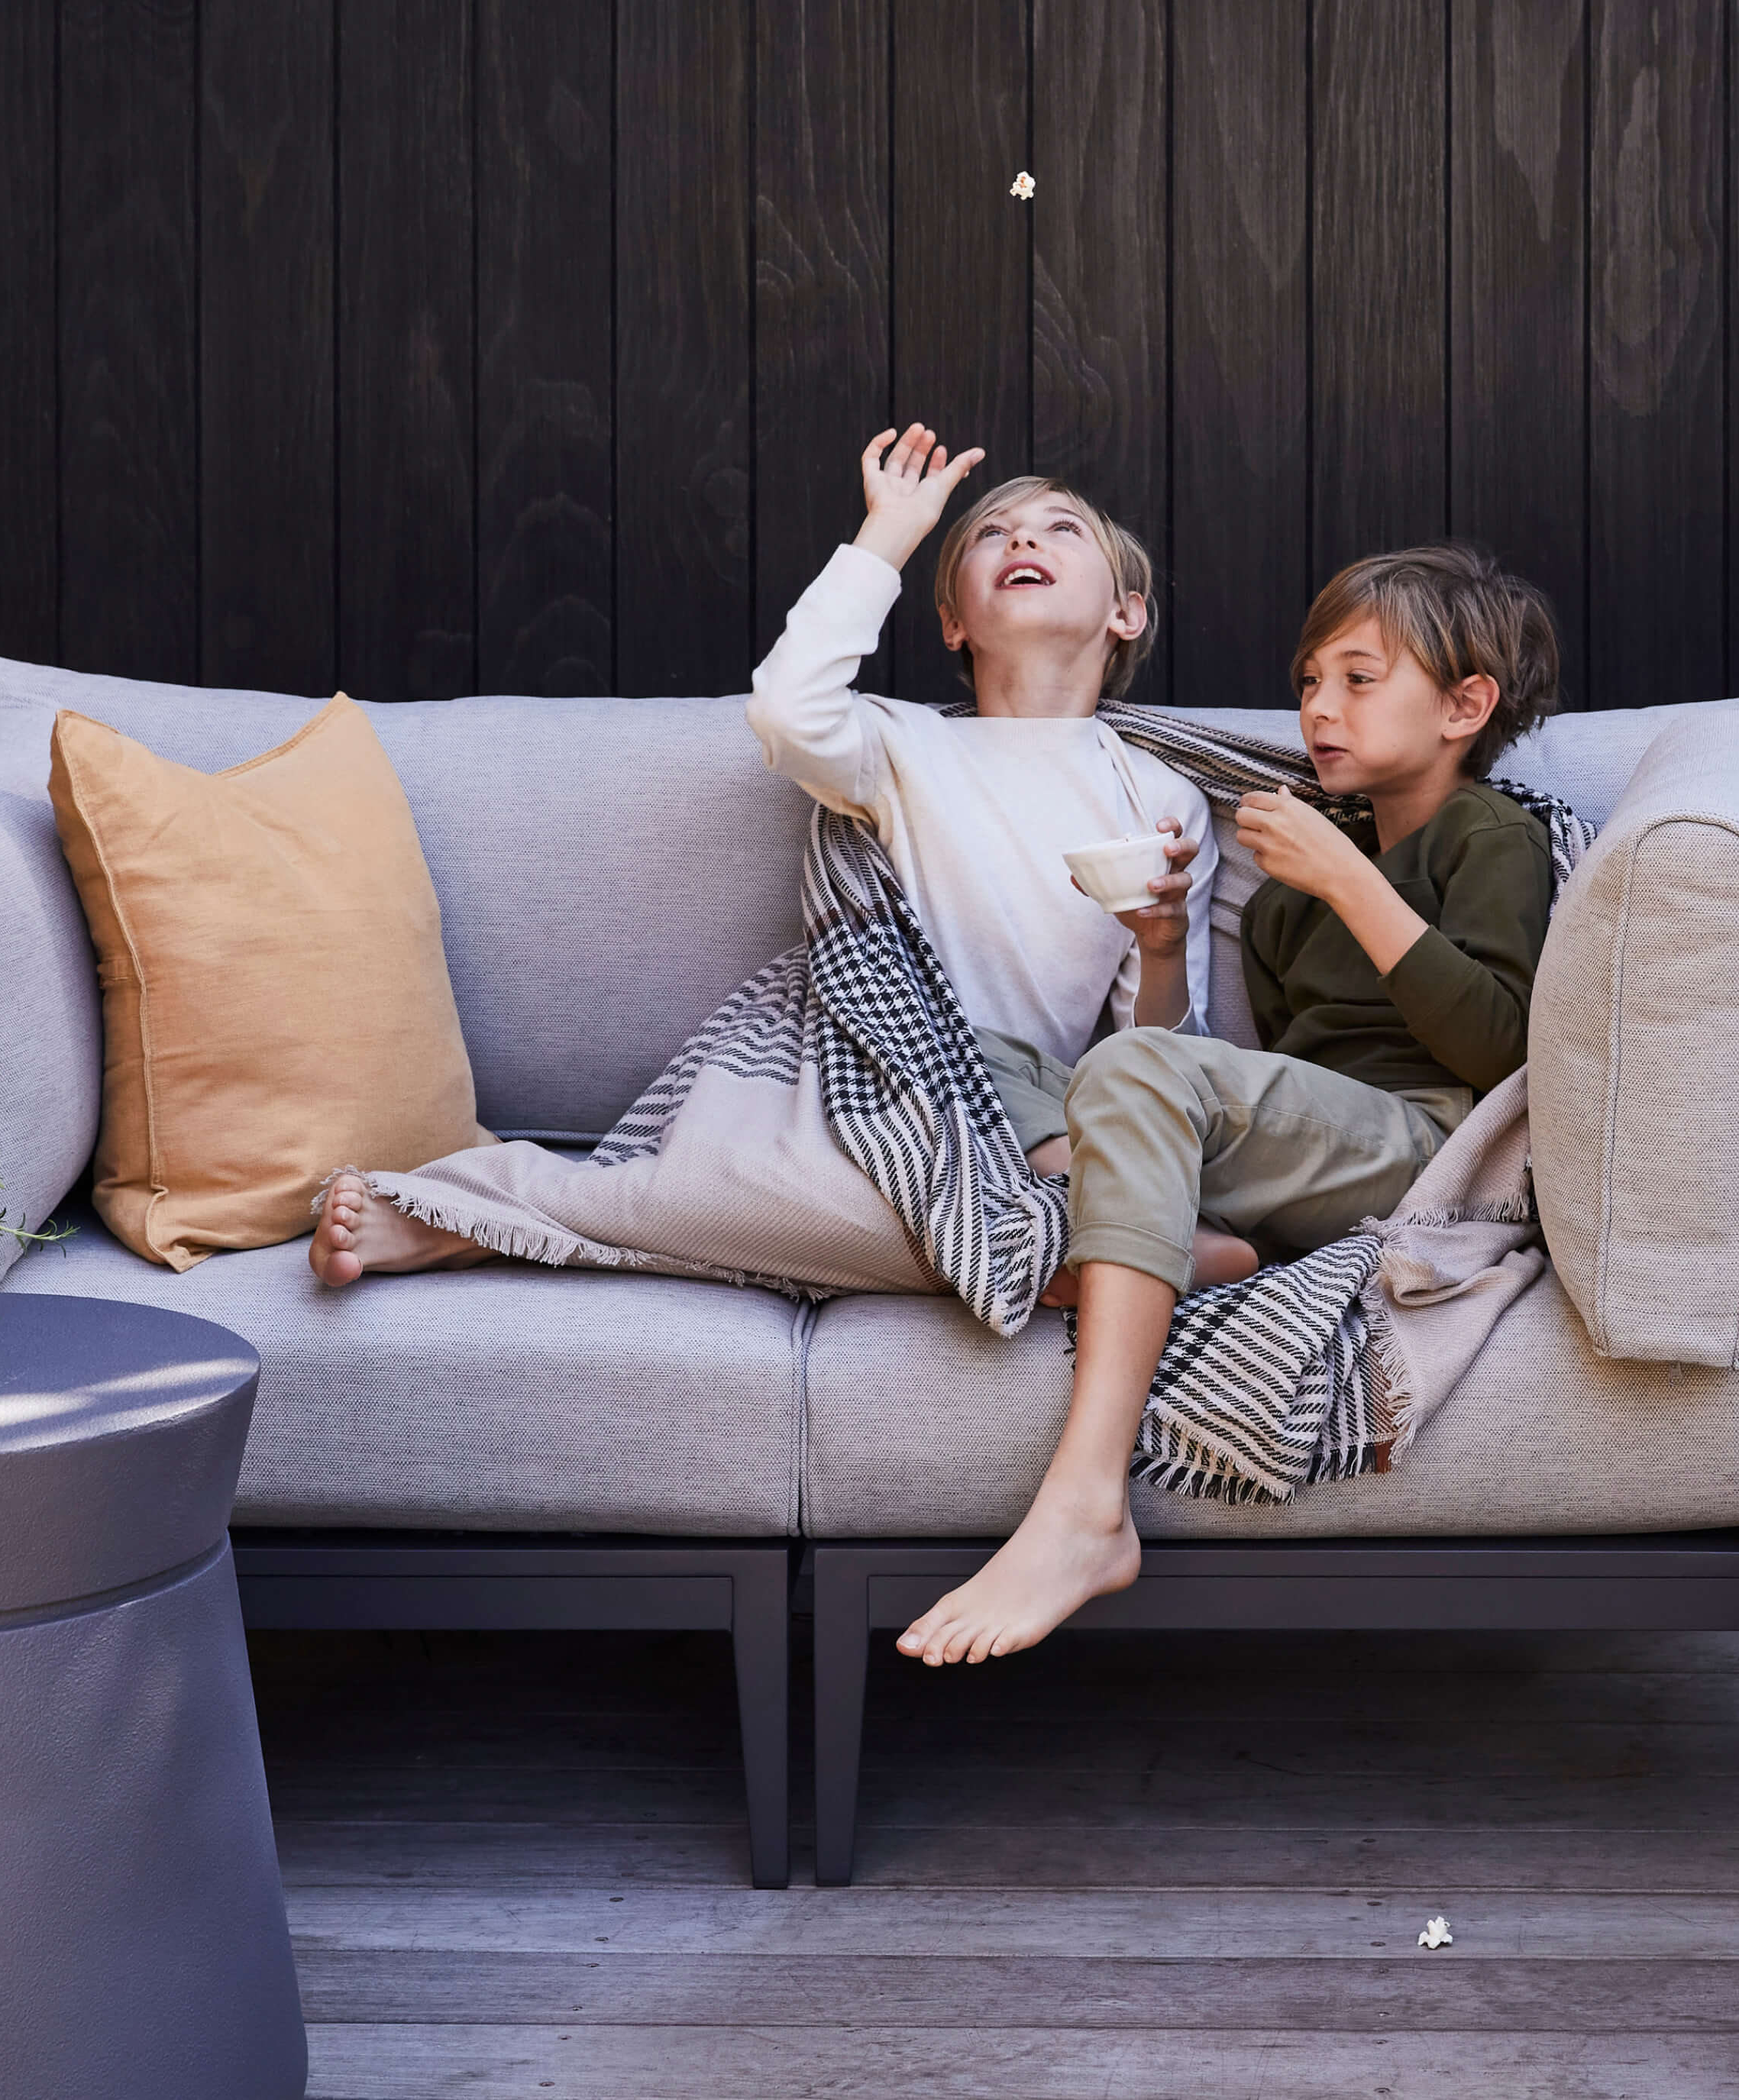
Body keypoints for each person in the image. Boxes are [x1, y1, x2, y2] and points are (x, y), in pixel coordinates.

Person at [312, 426, 1240, 1287]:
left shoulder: (1159, 796)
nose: (1021, 538)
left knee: (1003, 1184)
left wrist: (1159, 945)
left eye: (1061, 528)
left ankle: (1021, 1237)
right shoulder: (900, 745)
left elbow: (1157, 1055)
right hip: (859, 1086)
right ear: (952, 622)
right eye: (990, 534)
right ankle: (483, 1211)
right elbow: (787, 712)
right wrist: (890, 534)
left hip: (1013, 1123)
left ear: (1125, 613)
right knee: (764, 1189)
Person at [897, 543, 1566, 1667]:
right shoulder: (1286, 901)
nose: (1320, 708)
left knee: (1136, 1075)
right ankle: (1169, 1235)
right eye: (1309, 681)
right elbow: (1212, 1073)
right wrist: (1161, 948)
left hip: (1424, 1141)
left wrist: (1345, 876)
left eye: (1359, 679)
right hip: (1310, 1149)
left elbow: (1502, 1045)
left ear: (1465, 705)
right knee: (967, 1050)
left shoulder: (1487, 835)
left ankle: (1087, 1503)